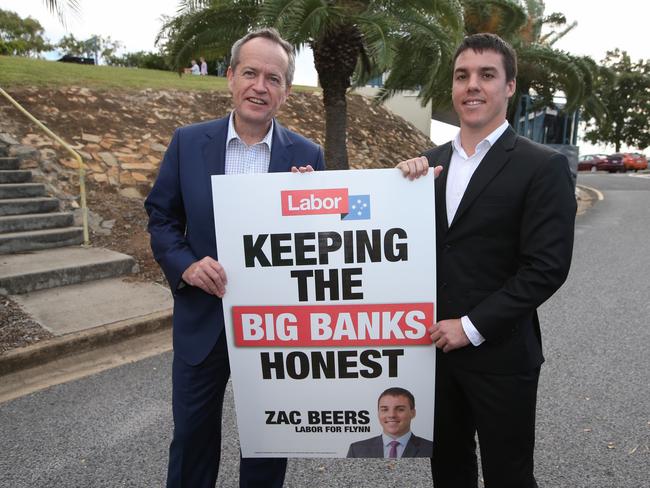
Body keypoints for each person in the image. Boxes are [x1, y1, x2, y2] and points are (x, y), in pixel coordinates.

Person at [145, 28, 325, 488]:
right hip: (202, 323)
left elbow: (322, 245)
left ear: (285, 91)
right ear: (230, 77)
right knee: (191, 439)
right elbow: (161, 217)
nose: (260, 86)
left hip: (275, 331)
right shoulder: (188, 143)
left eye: (273, 78)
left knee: (267, 445)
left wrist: (311, 204)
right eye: (250, 73)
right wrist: (185, 264)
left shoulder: (307, 156)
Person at [396, 33, 576, 488]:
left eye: (486, 75)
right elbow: (387, 243)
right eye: (462, 76)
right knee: (449, 472)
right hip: (432, 355)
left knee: (509, 477)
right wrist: (389, 189)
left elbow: (546, 267)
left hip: (502, 356)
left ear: (509, 86)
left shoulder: (542, 166)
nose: (472, 85)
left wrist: (471, 325)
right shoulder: (426, 167)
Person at [347, 387, 433, 458]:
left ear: (413, 413)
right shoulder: (357, 450)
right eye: (385, 409)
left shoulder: (430, 449)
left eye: (400, 409)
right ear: (378, 413)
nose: (391, 415)